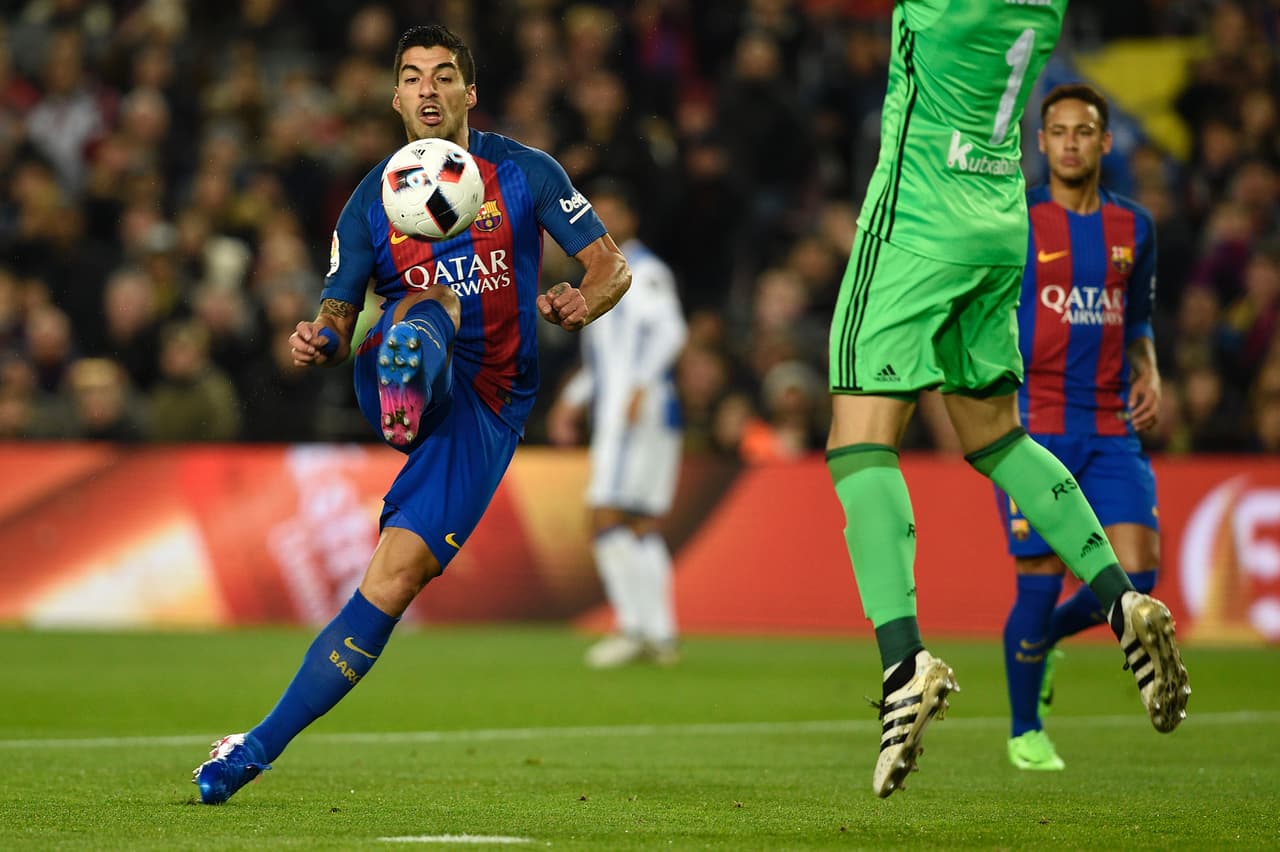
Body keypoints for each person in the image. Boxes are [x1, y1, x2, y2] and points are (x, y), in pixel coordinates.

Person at [191, 24, 631, 804]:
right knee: (433, 303)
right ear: (395, 97)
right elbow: (337, 314)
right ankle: (408, 378)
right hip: (395, 359)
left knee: (396, 581)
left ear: (469, 93)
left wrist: (583, 300)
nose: (429, 88)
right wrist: (320, 338)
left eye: (444, 75)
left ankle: (251, 750)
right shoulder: (370, 201)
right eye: (414, 76)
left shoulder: (524, 172)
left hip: (488, 407)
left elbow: (610, 266)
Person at [824, 2, 1190, 798]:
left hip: (917, 219)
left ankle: (902, 664)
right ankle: (1119, 600)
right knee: (996, 435)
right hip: (999, 223)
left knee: (859, 438)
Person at [998, 83, 1165, 772]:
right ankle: (1024, 731)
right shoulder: (1015, 219)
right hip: (1033, 427)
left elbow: (1138, 317)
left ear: (1105, 141)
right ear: (1041, 143)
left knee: (1137, 576)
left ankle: (1048, 640)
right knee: (1038, 581)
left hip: (1110, 424)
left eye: (1084, 130)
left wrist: (1150, 369)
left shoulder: (1136, 227)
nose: (1070, 143)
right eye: (1059, 131)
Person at [547, 180, 687, 668]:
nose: (602, 222)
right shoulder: (599, 277)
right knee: (639, 523)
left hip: (636, 413)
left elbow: (671, 331)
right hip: (623, 408)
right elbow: (607, 360)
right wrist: (572, 401)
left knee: (604, 516)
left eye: (611, 213)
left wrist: (640, 386)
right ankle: (660, 634)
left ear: (630, 220)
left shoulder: (643, 271)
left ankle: (634, 628)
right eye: (595, 213)